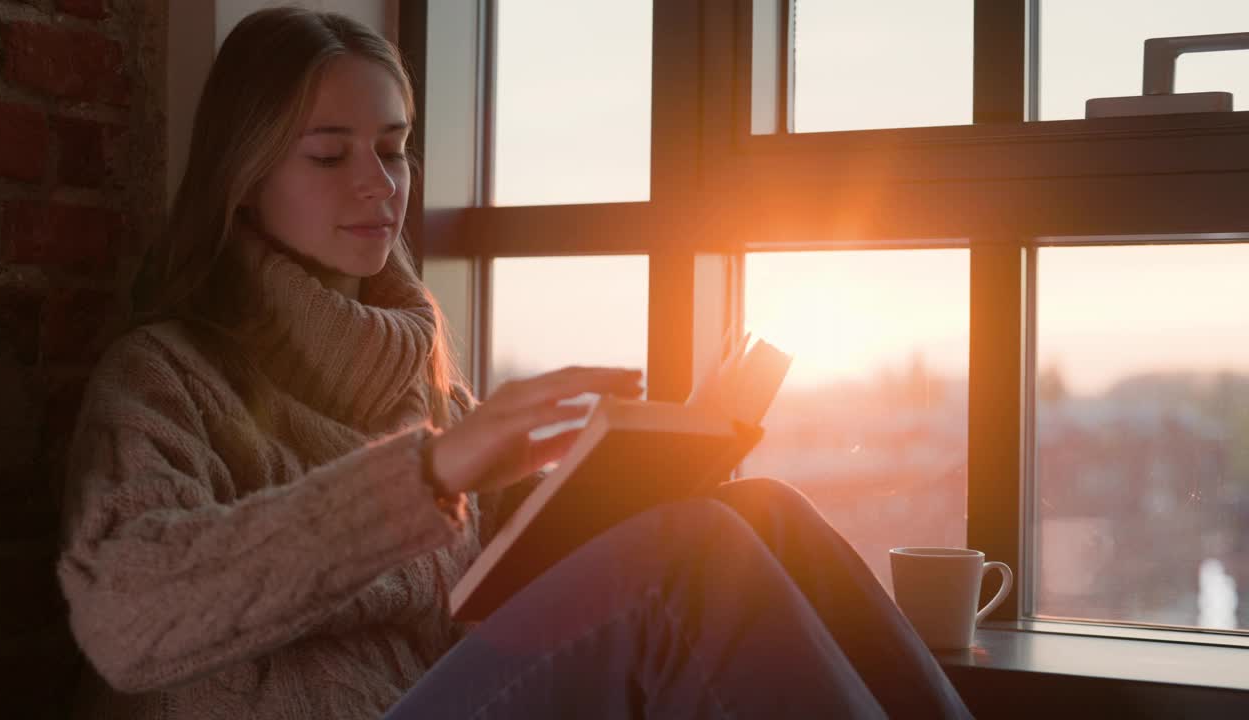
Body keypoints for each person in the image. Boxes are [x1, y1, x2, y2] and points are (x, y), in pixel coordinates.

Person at [56, 7, 974, 719]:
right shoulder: (163, 378)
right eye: (331, 155)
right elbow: (124, 616)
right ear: (244, 174)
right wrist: (426, 474)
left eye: (394, 149)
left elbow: (498, 592)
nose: (380, 186)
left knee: (761, 513)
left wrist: (662, 468)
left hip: (456, 694)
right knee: (691, 557)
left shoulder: (420, 382)